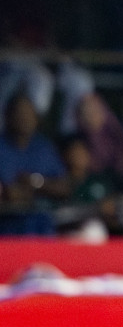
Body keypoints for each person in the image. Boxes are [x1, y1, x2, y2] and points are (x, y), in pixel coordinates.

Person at [0, 93, 70, 235]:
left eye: (29, 114)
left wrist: (36, 183)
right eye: (19, 113)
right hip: (5, 226)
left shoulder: (44, 148)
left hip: (41, 226)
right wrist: (7, 192)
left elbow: (64, 188)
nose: (24, 119)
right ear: (8, 116)